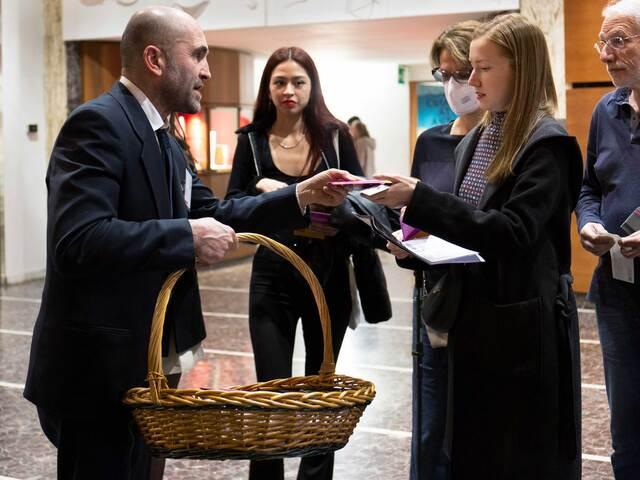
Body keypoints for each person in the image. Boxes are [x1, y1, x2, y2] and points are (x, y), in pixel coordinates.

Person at [23, 7, 356, 480]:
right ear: (155, 59)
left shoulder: (164, 136)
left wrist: (300, 194)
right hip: (99, 368)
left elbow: (215, 212)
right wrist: (186, 235)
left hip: (147, 359)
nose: (207, 70)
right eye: (197, 55)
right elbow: (79, 240)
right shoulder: (97, 124)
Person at [370, 14, 583, 479]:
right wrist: (414, 243)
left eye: (483, 69)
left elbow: (512, 232)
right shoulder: (480, 137)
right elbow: (468, 229)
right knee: (470, 452)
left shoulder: (548, 144)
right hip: (473, 324)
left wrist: (421, 199)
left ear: (520, 69)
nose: (471, 81)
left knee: (519, 458)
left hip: (522, 333)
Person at [225, 46, 389, 480]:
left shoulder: (334, 136)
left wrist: (333, 209)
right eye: (279, 82)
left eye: (298, 82)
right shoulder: (251, 140)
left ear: (312, 86)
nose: (289, 90)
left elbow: (362, 199)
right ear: (267, 88)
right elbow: (231, 203)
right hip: (272, 275)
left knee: (320, 392)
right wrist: (264, 190)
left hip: (328, 273)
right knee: (271, 396)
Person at [390, 19, 482, 480]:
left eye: (461, 73)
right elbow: (416, 215)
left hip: (486, 297)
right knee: (430, 423)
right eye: (443, 75)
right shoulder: (431, 142)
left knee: (476, 426)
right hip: (436, 294)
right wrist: (403, 242)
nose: (453, 85)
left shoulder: (508, 142)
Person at [576, 1, 640, 477]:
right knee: (627, 426)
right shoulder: (606, 110)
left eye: (619, 41)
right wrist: (589, 223)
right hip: (618, 292)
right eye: (603, 42)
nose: (605, 54)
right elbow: (589, 189)